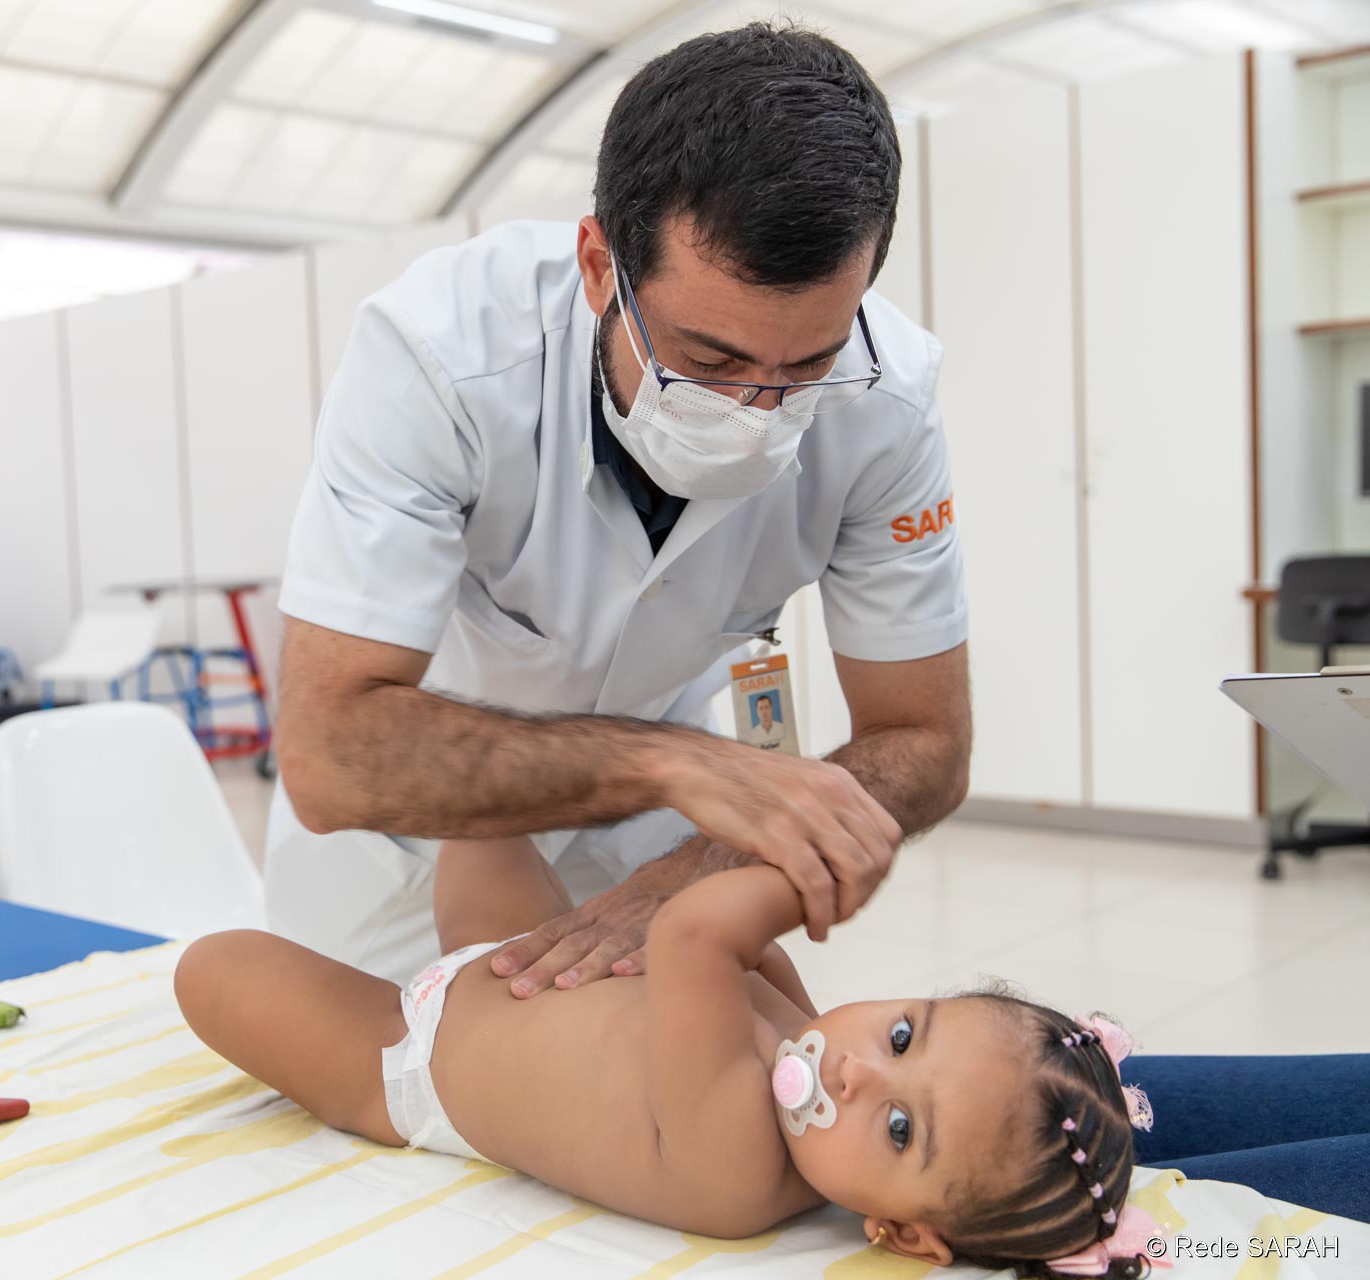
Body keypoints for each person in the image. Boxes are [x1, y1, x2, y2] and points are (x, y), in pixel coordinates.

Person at [268, 22, 971, 991]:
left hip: (661, 845)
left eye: (808, 365)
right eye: (708, 359)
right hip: (407, 829)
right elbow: (330, 754)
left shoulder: (887, 398)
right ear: (600, 265)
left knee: (712, 1047)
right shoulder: (441, 353)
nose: (756, 414)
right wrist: (672, 766)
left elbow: (926, 739)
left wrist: (712, 861)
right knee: (404, 1062)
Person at [178, 840, 1174, 1266]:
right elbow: (749, 971)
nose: (857, 1069)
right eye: (904, 1034)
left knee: (211, 967)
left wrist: (812, 867)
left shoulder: (735, 1167)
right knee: (482, 811)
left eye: (902, 1127)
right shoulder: (808, 1068)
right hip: (533, 950)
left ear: (903, 1233)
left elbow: (694, 934)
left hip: (411, 1057)